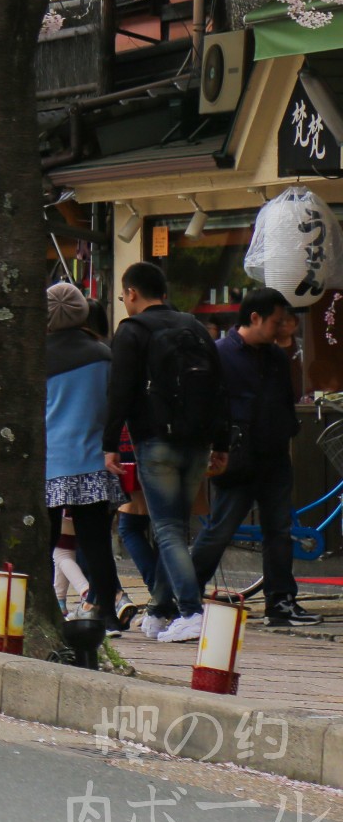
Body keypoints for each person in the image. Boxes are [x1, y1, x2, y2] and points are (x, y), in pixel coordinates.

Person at [102, 260, 230, 644]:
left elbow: (119, 392)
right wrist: (221, 443)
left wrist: (109, 445)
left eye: (125, 295)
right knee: (175, 527)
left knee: (168, 528)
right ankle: (159, 612)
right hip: (198, 441)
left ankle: (191, 611)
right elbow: (219, 389)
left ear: (132, 293)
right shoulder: (194, 327)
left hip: (155, 441)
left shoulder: (132, 331)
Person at [191, 288, 320, 627]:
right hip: (235, 456)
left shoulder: (277, 356)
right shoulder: (219, 353)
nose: (281, 328)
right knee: (221, 528)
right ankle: (185, 595)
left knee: (278, 529)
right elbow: (207, 404)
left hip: (274, 454)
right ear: (254, 318)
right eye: (276, 322)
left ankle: (280, 602)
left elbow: (287, 398)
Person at [44, 281, 127, 634]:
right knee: (95, 543)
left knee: (43, 542)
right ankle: (105, 613)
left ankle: (42, 607)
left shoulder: (34, 357)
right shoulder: (104, 355)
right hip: (93, 459)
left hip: (48, 463)